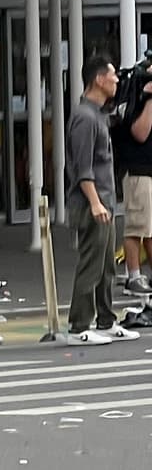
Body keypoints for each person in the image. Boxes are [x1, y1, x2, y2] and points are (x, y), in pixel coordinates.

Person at [65, 56, 139, 345]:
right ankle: (78, 326)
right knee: (91, 263)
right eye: (113, 76)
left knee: (107, 264)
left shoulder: (98, 114)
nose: (117, 81)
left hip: (105, 201)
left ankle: (106, 320)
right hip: (91, 204)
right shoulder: (84, 117)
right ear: (98, 79)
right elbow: (82, 168)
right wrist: (95, 202)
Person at [114, 76, 152, 295]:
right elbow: (140, 132)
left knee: (149, 228)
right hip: (137, 170)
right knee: (137, 227)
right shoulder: (136, 95)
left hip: (147, 169)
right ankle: (134, 276)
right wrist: (149, 99)